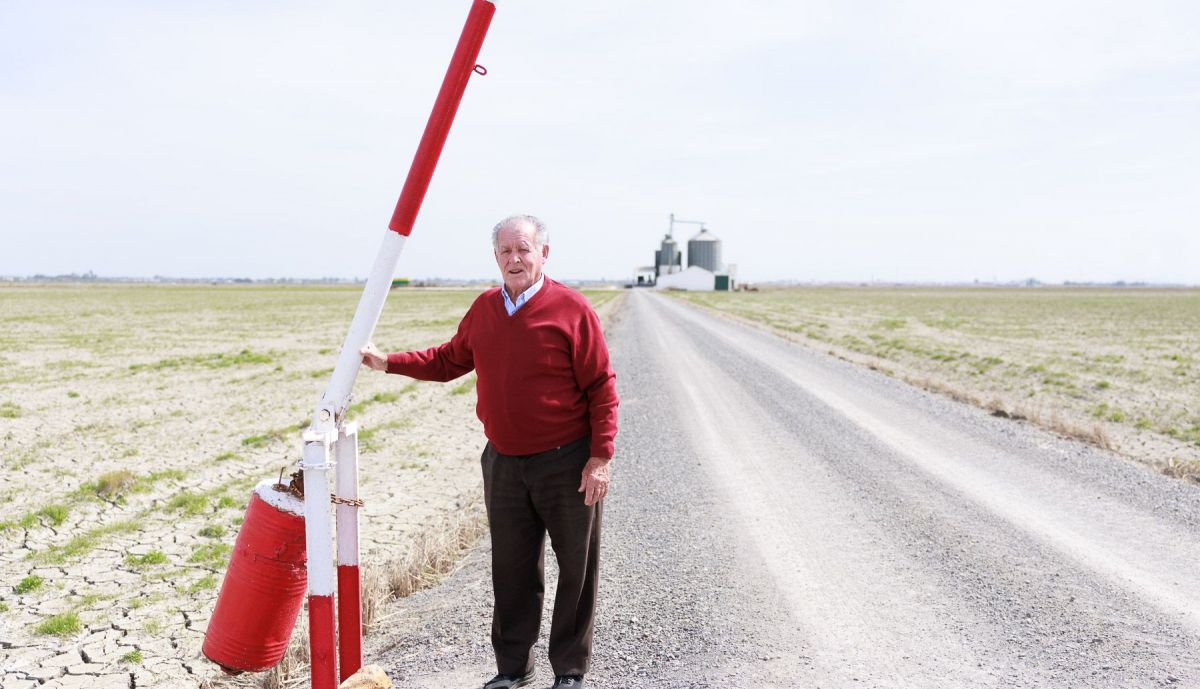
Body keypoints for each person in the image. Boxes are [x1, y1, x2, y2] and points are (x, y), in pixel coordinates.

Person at [360, 214, 618, 689]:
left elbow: (601, 385)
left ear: (544, 253)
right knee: (511, 568)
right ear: (496, 257)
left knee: (577, 569)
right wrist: (387, 362)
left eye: (524, 249)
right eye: (505, 251)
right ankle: (514, 669)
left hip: (566, 461)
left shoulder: (572, 308)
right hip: (503, 462)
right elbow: (448, 360)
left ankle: (570, 671)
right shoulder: (484, 309)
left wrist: (599, 458)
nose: (515, 258)